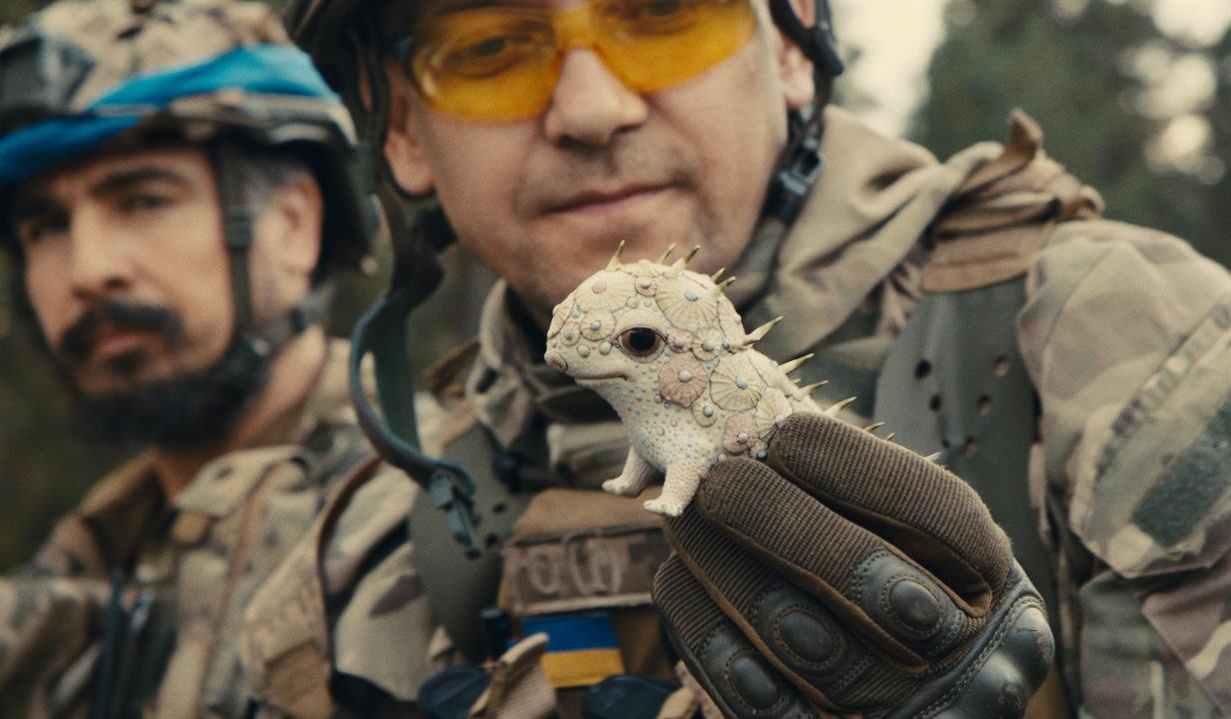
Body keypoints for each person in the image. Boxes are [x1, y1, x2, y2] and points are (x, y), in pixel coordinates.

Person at [283, 0, 1231, 717]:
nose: (591, 108)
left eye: (661, 14)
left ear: (787, 42)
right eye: (489, 48)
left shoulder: (1132, 352)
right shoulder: (363, 540)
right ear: (402, 129)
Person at [0, 0, 444, 716]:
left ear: (292, 226)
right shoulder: (109, 550)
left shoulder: (431, 510)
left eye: (144, 200)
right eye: (46, 226)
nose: (88, 269)